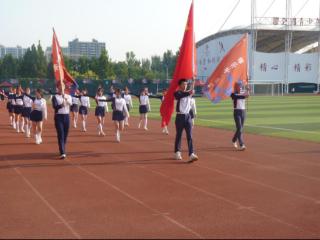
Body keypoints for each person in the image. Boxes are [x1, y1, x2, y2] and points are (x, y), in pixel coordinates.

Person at [174, 79, 198, 163]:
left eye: (186, 84)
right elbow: (179, 96)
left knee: (190, 136)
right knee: (179, 135)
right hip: (180, 116)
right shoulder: (177, 93)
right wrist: (190, 92)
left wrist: (193, 81)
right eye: (183, 84)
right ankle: (177, 152)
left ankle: (191, 153)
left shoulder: (188, 93)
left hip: (188, 116)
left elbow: (191, 88)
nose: (185, 86)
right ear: (180, 85)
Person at [52, 83, 72, 159]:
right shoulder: (55, 97)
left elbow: (70, 104)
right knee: (61, 134)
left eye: (63, 86)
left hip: (66, 116)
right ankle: (62, 152)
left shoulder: (68, 96)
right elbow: (55, 107)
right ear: (57, 88)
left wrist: (65, 98)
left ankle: (62, 146)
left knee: (65, 135)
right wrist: (61, 105)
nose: (61, 88)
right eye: (59, 86)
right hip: (58, 117)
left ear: (64, 87)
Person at [231, 81, 249, 151]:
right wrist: (246, 94)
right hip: (237, 111)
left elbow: (247, 95)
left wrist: (247, 89)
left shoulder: (243, 92)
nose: (240, 87)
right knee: (239, 128)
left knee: (240, 128)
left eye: (240, 85)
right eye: (239, 85)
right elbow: (242, 96)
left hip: (243, 111)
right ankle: (242, 144)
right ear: (236, 86)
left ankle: (233, 140)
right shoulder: (233, 94)